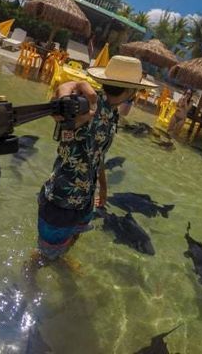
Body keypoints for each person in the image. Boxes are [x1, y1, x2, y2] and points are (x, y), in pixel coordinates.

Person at [30, 56, 157, 267]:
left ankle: (60, 259)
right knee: (43, 256)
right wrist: (68, 90)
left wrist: (103, 188)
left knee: (73, 237)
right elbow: (60, 110)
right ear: (129, 91)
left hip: (86, 196)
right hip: (62, 199)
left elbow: (98, 154)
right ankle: (30, 278)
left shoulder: (112, 114)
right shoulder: (85, 105)